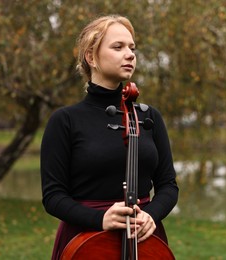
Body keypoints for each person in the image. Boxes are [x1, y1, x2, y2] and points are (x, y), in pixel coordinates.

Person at [40, 15, 179, 259]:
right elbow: (53, 197)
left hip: (144, 241)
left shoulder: (149, 117)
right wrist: (99, 218)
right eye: (118, 47)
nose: (130, 54)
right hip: (85, 241)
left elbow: (168, 185)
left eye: (132, 48)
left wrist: (152, 215)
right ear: (91, 57)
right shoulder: (65, 121)